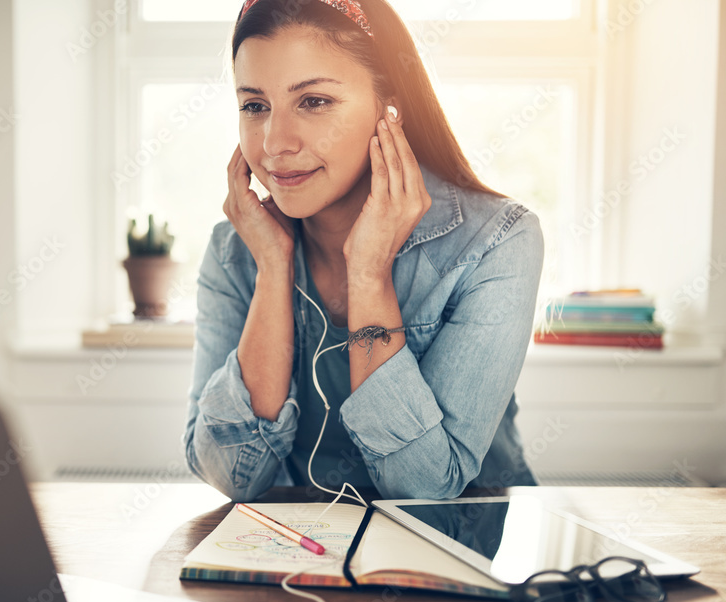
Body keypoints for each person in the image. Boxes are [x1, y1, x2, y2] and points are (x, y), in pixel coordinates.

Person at [182, 0, 544, 503]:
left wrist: (369, 275)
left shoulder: (497, 242)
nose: (274, 144)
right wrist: (272, 267)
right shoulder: (235, 248)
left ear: (387, 110)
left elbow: (425, 488)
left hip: (464, 553)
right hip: (296, 560)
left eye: (313, 102)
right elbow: (229, 474)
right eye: (255, 106)